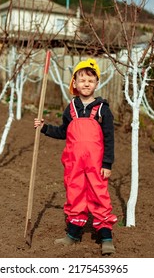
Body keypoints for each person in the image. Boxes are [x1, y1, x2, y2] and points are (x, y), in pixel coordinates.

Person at [34, 58, 117, 255]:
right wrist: (44, 128)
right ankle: (73, 233)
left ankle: (105, 236)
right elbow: (64, 132)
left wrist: (107, 163)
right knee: (75, 195)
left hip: (96, 164)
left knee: (99, 196)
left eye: (90, 80)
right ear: (75, 83)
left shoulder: (102, 109)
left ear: (97, 83)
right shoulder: (70, 109)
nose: (86, 84)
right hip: (74, 163)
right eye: (82, 80)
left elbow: (109, 138)